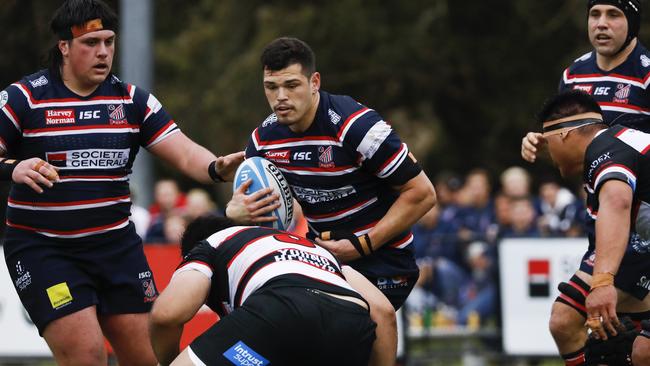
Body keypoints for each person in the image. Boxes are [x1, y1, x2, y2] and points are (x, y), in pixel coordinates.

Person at [0, 1, 246, 364]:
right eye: (91, 43)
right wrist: (13, 167)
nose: (103, 52)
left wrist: (216, 167)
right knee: (88, 356)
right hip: (45, 250)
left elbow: (184, 154)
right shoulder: (25, 98)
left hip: (115, 248)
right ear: (64, 47)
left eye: (109, 41)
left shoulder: (131, 101)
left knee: (150, 358)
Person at [229, 37, 436, 311]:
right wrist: (235, 214)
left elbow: (422, 194)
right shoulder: (263, 140)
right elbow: (262, 213)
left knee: (346, 332)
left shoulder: (357, 127)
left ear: (314, 82)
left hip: (384, 260)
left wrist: (362, 245)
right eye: (271, 87)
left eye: (291, 85)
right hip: (325, 260)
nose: (280, 97)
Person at [149, 215, 394, 366]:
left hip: (280, 310)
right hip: (350, 326)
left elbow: (167, 313)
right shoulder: (316, 252)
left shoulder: (211, 245)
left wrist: (169, 360)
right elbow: (384, 312)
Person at [538, 90, 650, 365]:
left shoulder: (605, 152)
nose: (549, 154)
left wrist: (602, 281)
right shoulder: (620, 142)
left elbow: (617, 201)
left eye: (548, 142)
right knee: (640, 352)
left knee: (566, 320)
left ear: (563, 135)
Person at [521, 0, 649, 163]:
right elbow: (573, 152)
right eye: (595, 14)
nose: (601, 23)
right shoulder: (573, 75)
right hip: (592, 188)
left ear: (632, 23)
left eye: (613, 14)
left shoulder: (646, 73)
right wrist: (546, 148)